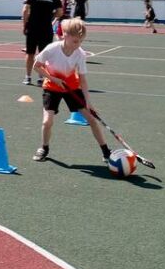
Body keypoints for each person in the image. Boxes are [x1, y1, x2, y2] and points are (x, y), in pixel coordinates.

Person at [31, 18, 113, 163]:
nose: (78, 45)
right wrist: (53, 78)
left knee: (92, 120)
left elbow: (83, 79)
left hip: (72, 88)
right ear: (65, 35)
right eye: (76, 41)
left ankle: (106, 151)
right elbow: (36, 66)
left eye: (81, 41)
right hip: (52, 86)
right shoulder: (52, 49)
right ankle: (44, 148)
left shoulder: (80, 53)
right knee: (47, 122)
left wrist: (89, 101)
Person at [21, 0, 62, 85]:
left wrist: (25, 25)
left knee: (30, 53)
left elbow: (25, 10)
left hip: (33, 27)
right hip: (46, 28)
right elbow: (60, 12)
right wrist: (51, 17)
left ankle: (28, 77)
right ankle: (41, 78)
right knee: (43, 53)